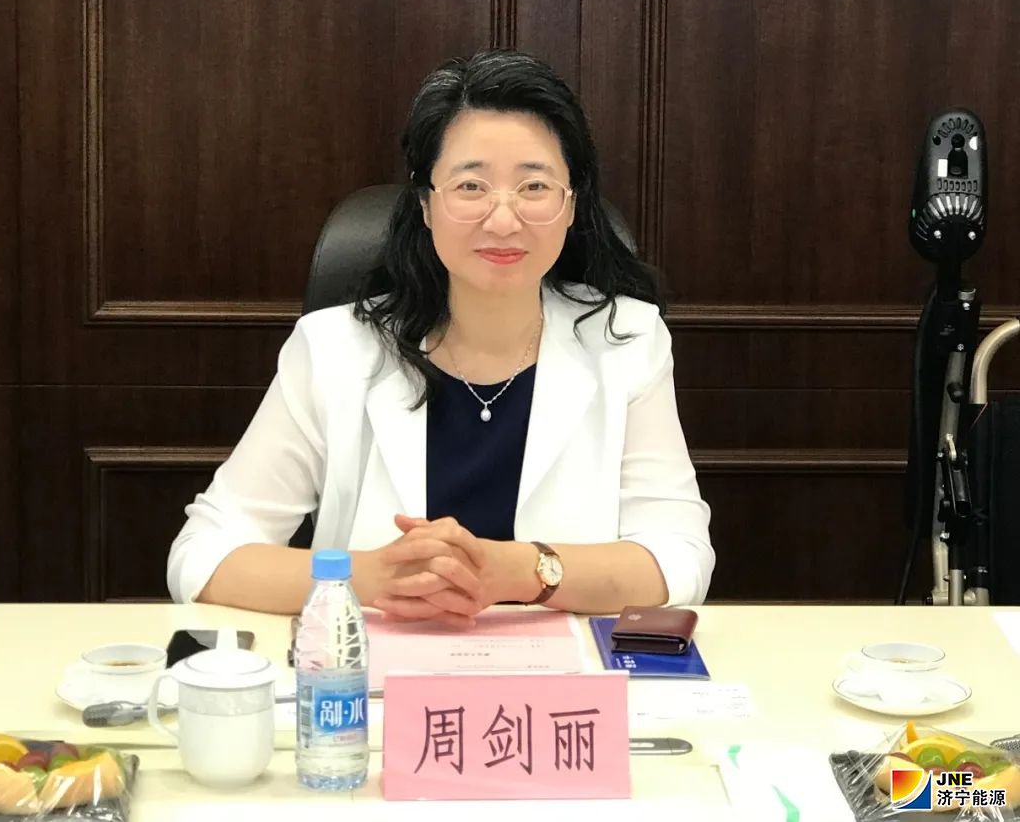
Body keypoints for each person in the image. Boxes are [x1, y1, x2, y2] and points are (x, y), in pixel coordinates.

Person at [167, 49, 714, 626]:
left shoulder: (627, 339)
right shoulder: (333, 348)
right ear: (427, 204)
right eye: (471, 186)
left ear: (571, 204)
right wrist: (372, 577)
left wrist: (522, 570)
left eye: (534, 186)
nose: (503, 219)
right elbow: (202, 555)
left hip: (564, 674)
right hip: (378, 672)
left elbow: (679, 558)